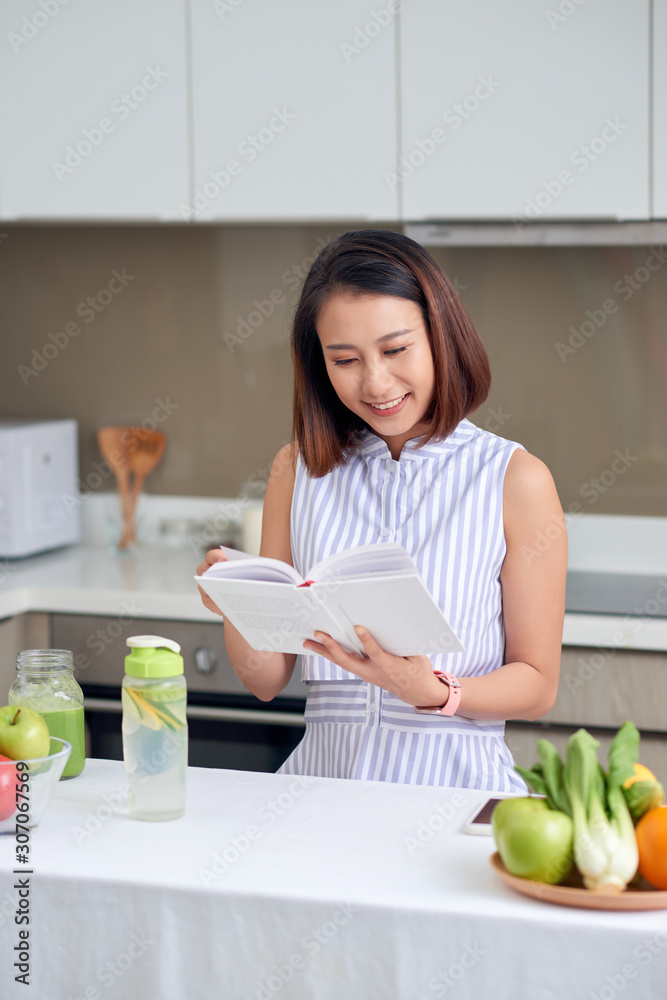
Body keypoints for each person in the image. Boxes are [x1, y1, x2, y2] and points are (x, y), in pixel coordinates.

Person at [197, 230, 567, 791]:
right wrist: (237, 602)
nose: (375, 382)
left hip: (452, 801)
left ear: (440, 335)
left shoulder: (515, 479)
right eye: (344, 359)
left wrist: (436, 692)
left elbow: (537, 683)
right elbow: (266, 680)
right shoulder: (295, 470)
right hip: (318, 797)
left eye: (396, 350)